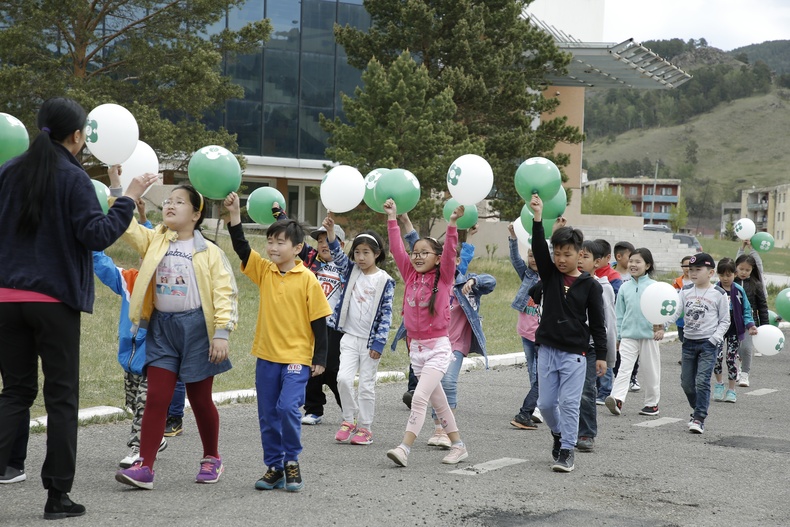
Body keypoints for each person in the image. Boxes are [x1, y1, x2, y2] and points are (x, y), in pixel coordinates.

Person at [0, 97, 156, 519]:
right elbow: (97, 235)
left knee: (14, 392)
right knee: (61, 399)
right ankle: (57, 497)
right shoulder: (72, 179)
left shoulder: (8, 172)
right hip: (54, 302)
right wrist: (127, 198)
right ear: (76, 136)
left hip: (6, 301)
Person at [115, 184, 238, 490]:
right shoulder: (155, 240)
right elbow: (127, 227)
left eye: (179, 202)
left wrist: (221, 333)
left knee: (198, 398)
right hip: (161, 329)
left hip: (198, 330)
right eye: (168, 201)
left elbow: (225, 293)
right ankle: (145, 466)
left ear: (196, 214)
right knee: (157, 397)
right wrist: (121, 190)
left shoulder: (210, 252)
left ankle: (212, 457)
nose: (170, 205)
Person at [223, 192, 331, 492]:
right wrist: (234, 215)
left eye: (279, 242)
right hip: (267, 355)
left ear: (297, 248)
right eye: (270, 241)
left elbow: (319, 321)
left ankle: (291, 461)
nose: (272, 247)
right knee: (268, 413)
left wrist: (319, 358)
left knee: (287, 408)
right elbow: (243, 249)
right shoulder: (266, 271)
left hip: (297, 357)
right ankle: (274, 467)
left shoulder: (307, 278)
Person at [384, 198, 469, 467]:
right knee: (439, 403)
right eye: (416, 252)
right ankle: (458, 446)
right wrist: (392, 219)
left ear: (437, 258)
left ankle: (404, 448)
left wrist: (452, 224)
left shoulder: (444, 277)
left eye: (425, 252)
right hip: (416, 350)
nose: (418, 256)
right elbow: (398, 249)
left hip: (438, 348)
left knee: (419, 398)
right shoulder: (410, 275)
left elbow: (450, 254)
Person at [529, 194, 607, 473]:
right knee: (547, 404)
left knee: (571, 403)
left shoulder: (591, 286)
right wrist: (538, 217)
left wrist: (601, 356)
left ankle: (566, 451)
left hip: (576, 353)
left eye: (567, 254)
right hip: (547, 349)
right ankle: (559, 433)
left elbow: (598, 324)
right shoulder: (550, 277)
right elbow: (538, 248)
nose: (561, 259)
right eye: (557, 254)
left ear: (580, 254)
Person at [323, 216, 394, 446]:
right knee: (343, 379)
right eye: (357, 253)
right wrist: (332, 231)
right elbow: (336, 253)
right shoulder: (350, 271)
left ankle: (365, 428)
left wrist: (379, 343)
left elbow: (386, 314)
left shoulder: (385, 281)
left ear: (377, 254)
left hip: (370, 342)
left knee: (366, 385)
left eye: (366, 253)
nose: (361, 258)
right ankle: (348, 420)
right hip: (350, 338)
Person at [426, 241, 496, 448]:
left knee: (448, 382)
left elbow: (490, 281)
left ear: (458, 261)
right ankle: (439, 427)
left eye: (451, 258)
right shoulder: (433, 283)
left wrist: (474, 280)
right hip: (433, 342)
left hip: (456, 343)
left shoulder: (466, 285)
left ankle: (445, 430)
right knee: (434, 386)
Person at [666, 252, 730, 434]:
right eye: (691, 270)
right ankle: (697, 410)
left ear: (710, 273)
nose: (693, 273)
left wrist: (714, 339)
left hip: (708, 344)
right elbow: (675, 312)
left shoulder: (718, 293)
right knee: (686, 383)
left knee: (702, 381)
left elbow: (725, 320)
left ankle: (699, 418)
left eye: (698, 270)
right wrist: (661, 324)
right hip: (688, 342)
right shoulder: (685, 291)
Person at [605, 248, 663, 417]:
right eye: (631, 261)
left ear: (647, 265)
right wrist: (619, 336)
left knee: (651, 370)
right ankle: (617, 399)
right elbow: (619, 314)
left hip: (649, 336)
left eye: (638, 262)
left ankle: (652, 404)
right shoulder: (624, 288)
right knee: (624, 368)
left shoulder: (655, 287)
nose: (633, 265)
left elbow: (664, 310)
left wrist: (661, 327)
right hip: (629, 336)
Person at [576, 239, 617, 452]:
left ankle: (586, 433)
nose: (580, 260)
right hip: (566, 346)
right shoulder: (566, 283)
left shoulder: (603, 287)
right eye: (578, 255)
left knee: (586, 391)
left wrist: (607, 357)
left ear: (597, 262)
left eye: (585, 257)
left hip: (590, 347)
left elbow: (608, 323)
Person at [507, 223, 543, 430]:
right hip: (526, 333)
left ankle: (536, 407)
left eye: (537, 255)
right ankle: (536, 401)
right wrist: (513, 238)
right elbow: (514, 259)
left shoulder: (550, 277)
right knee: (533, 370)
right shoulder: (527, 275)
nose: (533, 259)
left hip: (542, 335)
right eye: (530, 255)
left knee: (541, 372)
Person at [712, 258, 757, 403]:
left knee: (731, 359)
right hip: (718, 330)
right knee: (716, 358)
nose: (725, 278)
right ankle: (719, 385)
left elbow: (746, 309)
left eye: (729, 275)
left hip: (733, 329)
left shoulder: (738, 290)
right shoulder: (714, 290)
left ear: (735, 274)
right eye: (722, 275)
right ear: (717, 275)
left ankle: (731, 390)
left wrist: (750, 325)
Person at [735, 241, 769, 378]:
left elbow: (762, 306)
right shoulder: (732, 283)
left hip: (750, 322)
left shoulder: (757, 285)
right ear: (736, 268)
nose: (743, 272)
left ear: (752, 270)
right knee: (735, 349)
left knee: (747, 348)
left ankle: (745, 373)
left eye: (747, 270)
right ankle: (735, 369)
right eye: (741, 269)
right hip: (733, 322)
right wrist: (741, 248)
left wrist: (765, 326)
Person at [592, 239, 620, 403]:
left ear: (606, 258)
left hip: (605, 322)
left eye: (597, 258)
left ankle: (605, 391)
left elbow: (612, 300)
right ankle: (597, 389)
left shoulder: (612, 277)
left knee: (605, 357)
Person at [672, 256, 693, 344]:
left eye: (690, 266)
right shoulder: (677, 282)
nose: (688, 268)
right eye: (685, 266)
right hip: (681, 315)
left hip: (693, 314)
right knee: (682, 337)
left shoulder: (697, 281)